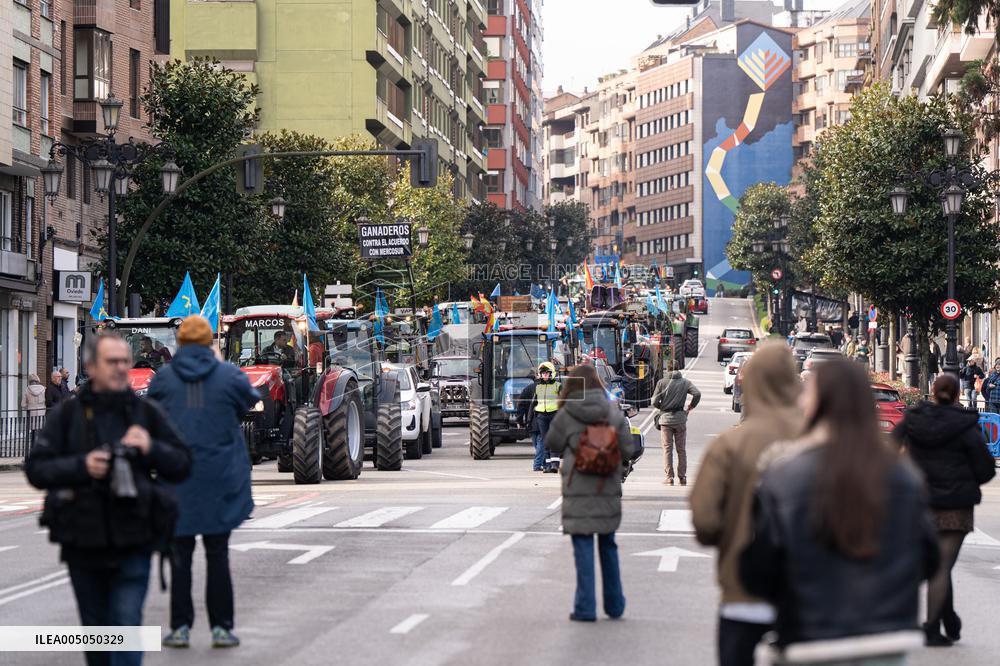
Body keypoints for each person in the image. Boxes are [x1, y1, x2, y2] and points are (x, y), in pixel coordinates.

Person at [740, 360, 939, 663]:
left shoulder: (785, 474)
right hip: (885, 642)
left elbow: (757, 570)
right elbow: (929, 558)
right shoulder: (903, 477)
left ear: (817, 404)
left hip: (809, 640)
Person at [24, 332, 191, 666]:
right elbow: (37, 469)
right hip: (83, 542)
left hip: (134, 541)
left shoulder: (144, 412)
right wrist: (82, 465)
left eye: (123, 362)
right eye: (111, 362)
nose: (119, 368)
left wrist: (149, 447)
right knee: (98, 638)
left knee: (126, 631)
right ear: (91, 367)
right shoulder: (68, 416)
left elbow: (183, 462)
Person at [690, 342, 802, 666]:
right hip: (808, 592)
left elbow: (705, 521)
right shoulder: (819, 438)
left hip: (743, 587)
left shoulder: (731, 443)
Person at [149, 316, 258, 649]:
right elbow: (250, 399)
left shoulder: (164, 379)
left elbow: (153, 418)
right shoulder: (228, 376)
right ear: (209, 343)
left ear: (179, 343)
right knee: (217, 554)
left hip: (177, 479)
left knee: (180, 555)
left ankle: (180, 627)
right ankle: (221, 628)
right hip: (219, 478)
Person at [892, 374, 995, 646]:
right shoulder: (967, 426)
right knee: (942, 566)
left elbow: (888, 452)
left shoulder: (913, 420)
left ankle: (942, 619)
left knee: (936, 565)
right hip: (955, 507)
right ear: (958, 392)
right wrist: (966, 480)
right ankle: (932, 626)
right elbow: (985, 468)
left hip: (918, 503)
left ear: (933, 391)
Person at [545, 364, 635, 622]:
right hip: (606, 486)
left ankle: (585, 607)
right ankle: (615, 604)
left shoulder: (567, 413)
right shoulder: (612, 411)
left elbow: (552, 443)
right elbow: (628, 448)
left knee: (583, 548)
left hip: (578, 488)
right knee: (608, 546)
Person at [650, 368, 701, 485]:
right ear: (678, 369)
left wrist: (661, 407)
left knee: (667, 449)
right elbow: (697, 393)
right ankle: (682, 478)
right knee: (681, 449)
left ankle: (669, 477)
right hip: (680, 419)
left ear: (668, 369)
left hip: (665, 420)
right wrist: (691, 406)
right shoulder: (685, 382)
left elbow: (654, 401)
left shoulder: (662, 382)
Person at [518, 362, 562, 472]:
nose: (545, 375)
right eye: (543, 373)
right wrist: (528, 419)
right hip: (542, 416)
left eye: (547, 373)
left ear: (552, 373)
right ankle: (547, 465)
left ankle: (555, 464)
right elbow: (533, 404)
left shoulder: (558, 386)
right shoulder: (538, 387)